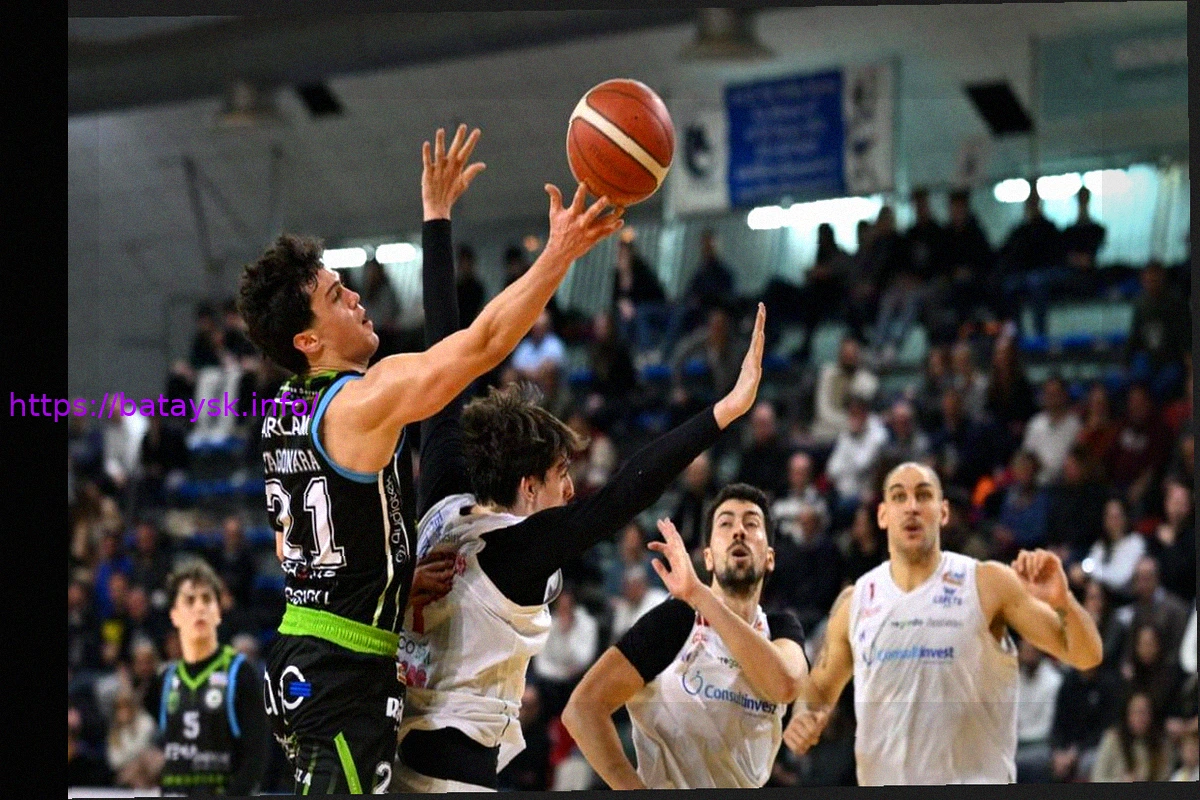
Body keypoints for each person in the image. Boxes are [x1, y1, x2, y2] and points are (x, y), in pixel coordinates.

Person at [237, 125, 623, 794]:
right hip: (341, 670)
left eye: (344, 285)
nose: (355, 297)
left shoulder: (281, 412)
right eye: (335, 297)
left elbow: (295, 545)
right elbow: (482, 344)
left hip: (311, 655)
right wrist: (559, 253)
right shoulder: (360, 400)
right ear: (307, 340)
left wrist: (391, 584)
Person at [390, 172, 770, 791]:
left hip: (396, 744)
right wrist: (722, 413)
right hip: (452, 770)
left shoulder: (444, 504)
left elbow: (443, 361)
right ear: (529, 483)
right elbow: (626, 491)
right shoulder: (516, 550)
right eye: (562, 474)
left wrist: (437, 221)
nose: (571, 490)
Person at [783, 461, 1103, 785]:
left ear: (944, 512)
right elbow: (819, 688)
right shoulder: (856, 601)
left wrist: (1063, 601)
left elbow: (1086, 655)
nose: (912, 507)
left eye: (923, 495)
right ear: (883, 515)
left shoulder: (988, 583)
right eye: (899, 497)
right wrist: (805, 715)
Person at [562, 484, 809, 788]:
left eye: (751, 523)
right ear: (708, 558)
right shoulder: (676, 621)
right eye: (726, 523)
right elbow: (582, 709)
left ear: (770, 558)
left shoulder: (781, 629)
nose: (739, 531)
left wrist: (699, 594)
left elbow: (785, 685)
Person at [146, 560, 268, 796]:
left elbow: (256, 758)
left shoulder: (240, 672)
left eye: (207, 599)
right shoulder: (165, 679)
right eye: (190, 600)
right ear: (174, 615)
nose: (199, 608)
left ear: (218, 612)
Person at [1090, 690, 1175, 782]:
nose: (1140, 718)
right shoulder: (1113, 739)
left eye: (1144, 712)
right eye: (1135, 712)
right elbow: (1097, 778)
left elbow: (1166, 777)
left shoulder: (1162, 744)